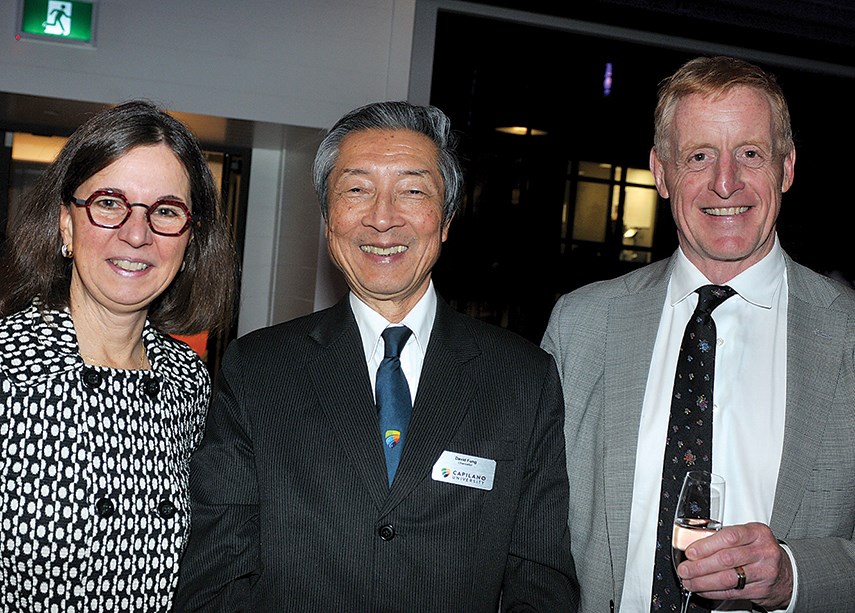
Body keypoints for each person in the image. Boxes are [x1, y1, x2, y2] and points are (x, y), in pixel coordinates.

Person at [173, 101, 578, 611]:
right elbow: (217, 576)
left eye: (412, 190)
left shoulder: (524, 377)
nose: (383, 219)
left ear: (447, 218)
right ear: (328, 217)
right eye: (357, 190)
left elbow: (540, 582)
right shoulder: (256, 369)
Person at [542, 54, 855, 613]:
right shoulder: (580, 326)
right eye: (699, 156)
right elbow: (531, 524)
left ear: (786, 168)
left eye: (751, 154)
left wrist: (795, 576)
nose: (725, 182)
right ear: (661, 173)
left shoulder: (849, 334)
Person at [0, 100, 238, 612]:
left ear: (190, 240)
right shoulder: (7, 368)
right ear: (66, 223)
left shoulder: (188, 382)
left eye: (166, 211)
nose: (137, 233)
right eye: (110, 202)